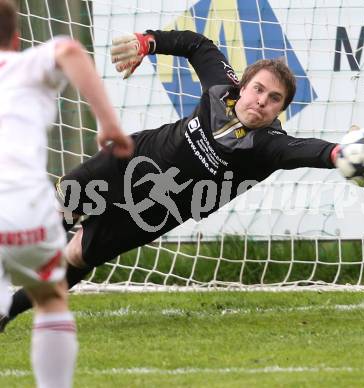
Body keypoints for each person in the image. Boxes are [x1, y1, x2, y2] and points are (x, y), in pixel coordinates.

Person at [1, 29, 340, 331]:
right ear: (243, 85)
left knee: (75, 257)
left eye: (274, 99)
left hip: (154, 211)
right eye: (259, 89)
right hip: (127, 162)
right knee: (57, 210)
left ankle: (6, 314)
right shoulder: (220, 89)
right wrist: (147, 42)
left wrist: (341, 154)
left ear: (280, 110)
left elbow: (310, 150)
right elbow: (197, 44)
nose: (262, 101)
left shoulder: (270, 145)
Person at [0, 1, 133, 387]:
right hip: (24, 209)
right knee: (51, 295)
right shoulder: (26, 65)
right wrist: (109, 124)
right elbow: (71, 51)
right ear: (17, 37)